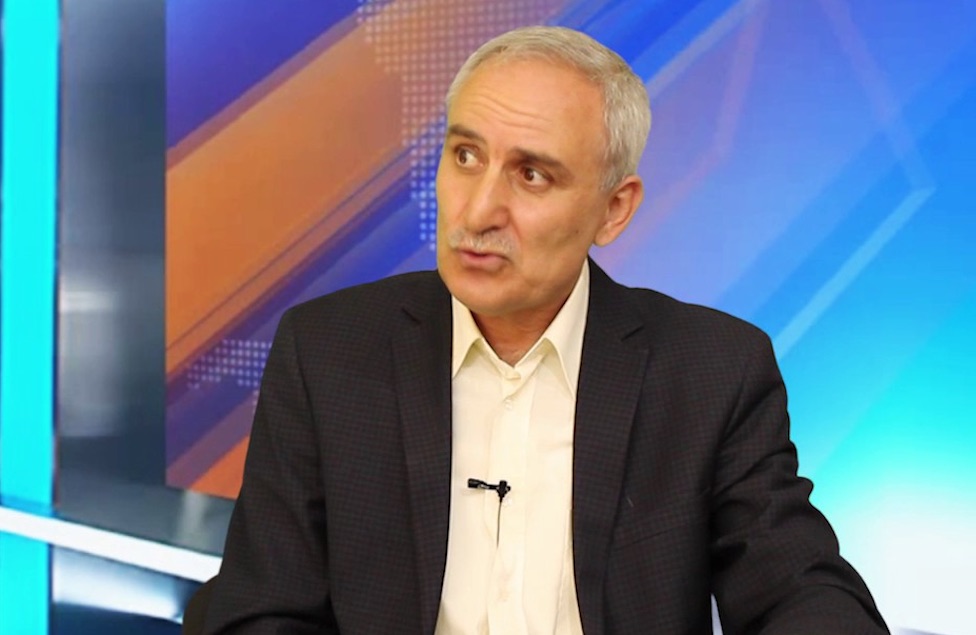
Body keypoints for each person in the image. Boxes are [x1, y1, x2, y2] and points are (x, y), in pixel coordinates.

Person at [202, 25, 888, 634]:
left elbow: (798, 586)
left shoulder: (710, 371)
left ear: (613, 210)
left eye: (531, 175)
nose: (477, 211)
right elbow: (261, 610)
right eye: (465, 156)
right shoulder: (327, 352)